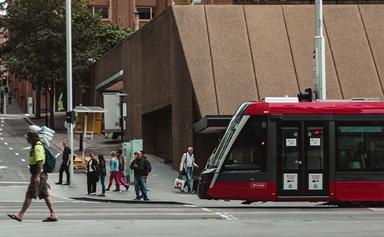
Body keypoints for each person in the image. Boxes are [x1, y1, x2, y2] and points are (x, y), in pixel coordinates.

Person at [7, 131, 57, 222]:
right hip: (41, 175)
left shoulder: (37, 147)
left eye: (28, 137)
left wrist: (37, 176)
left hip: (38, 175)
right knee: (45, 195)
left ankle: (20, 215)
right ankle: (53, 214)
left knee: (29, 194)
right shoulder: (35, 146)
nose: (26, 139)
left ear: (32, 138)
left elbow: (40, 162)